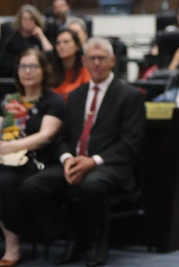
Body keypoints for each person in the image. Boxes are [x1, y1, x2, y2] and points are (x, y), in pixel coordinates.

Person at [22, 38, 146, 267]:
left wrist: (92, 161)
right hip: (74, 161)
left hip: (110, 165)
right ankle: (71, 235)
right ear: (84, 62)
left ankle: (98, 244)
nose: (97, 63)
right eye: (92, 59)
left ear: (112, 61)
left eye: (101, 58)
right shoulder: (76, 95)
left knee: (92, 185)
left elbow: (131, 144)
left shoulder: (130, 95)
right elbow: (63, 137)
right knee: (32, 186)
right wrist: (68, 159)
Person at [0, 49, 65, 267]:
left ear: (44, 70)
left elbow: (45, 137)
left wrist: (10, 147)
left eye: (33, 66)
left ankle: (13, 247)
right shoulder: (11, 100)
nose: (27, 71)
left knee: (4, 181)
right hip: (8, 159)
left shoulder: (53, 100)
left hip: (38, 160)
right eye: (22, 66)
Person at [0, 5, 53, 79]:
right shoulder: (11, 36)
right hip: (12, 76)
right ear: (20, 21)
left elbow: (51, 55)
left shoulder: (38, 37)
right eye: (24, 19)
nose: (27, 22)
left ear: (36, 21)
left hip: (34, 75)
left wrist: (41, 36)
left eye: (31, 19)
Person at [52, 28, 91, 101]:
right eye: (58, 43)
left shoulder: (85, 72)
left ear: (77, 46)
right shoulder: (51, 72)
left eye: (66, 42)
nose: (61, 46)